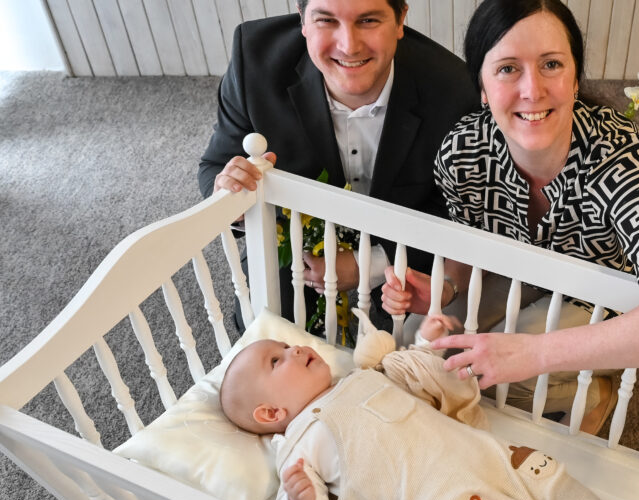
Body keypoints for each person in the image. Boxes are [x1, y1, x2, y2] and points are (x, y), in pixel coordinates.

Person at [381, 0, 639, 430]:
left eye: (551, 64)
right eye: (507, 69)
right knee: (414, 345)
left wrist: (532, 354)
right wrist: (447, 287)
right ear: (482, 87)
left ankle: (595, 393)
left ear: (575, 79)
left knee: (491, 376)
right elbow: (469, 241)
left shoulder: (617, 159)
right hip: (517, 275)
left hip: (600, 301)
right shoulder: (462, 153)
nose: (532, 90)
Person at [198, 0, 479, 329]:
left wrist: (368, 264)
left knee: (417, 343)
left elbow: (454, 209)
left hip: (403, 244)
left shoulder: (454, 89)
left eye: (368, 20)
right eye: (326, 21)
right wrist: (230, 198)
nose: (349, 46)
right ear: (302, 20)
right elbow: (216, 164)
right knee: (265, 326)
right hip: (296, 241)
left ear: (401, 18)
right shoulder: (254, 57)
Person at [219, 315, 627, 500]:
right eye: (277, 360)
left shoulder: (361, 377)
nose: (294, 349)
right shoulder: (298, 444)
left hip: (482, 454)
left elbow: (417, 379)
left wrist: (426, 346)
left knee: (549, 479)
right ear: (271, 413)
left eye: (287, 345)